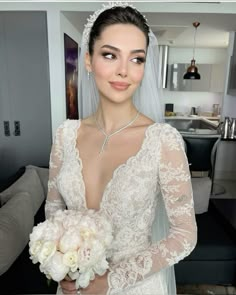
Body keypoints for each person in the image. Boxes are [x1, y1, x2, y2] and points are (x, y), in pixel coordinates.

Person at [45, 3, 197, 295]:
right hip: (73, 287)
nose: (124, 71)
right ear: (88, 60)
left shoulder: (162, 141)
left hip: (136, 287)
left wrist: (112, 280)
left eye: (137, 59)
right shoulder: (65, 135)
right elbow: (54, 207)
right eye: (110, 55)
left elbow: (184, 235)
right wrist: (63, 259)